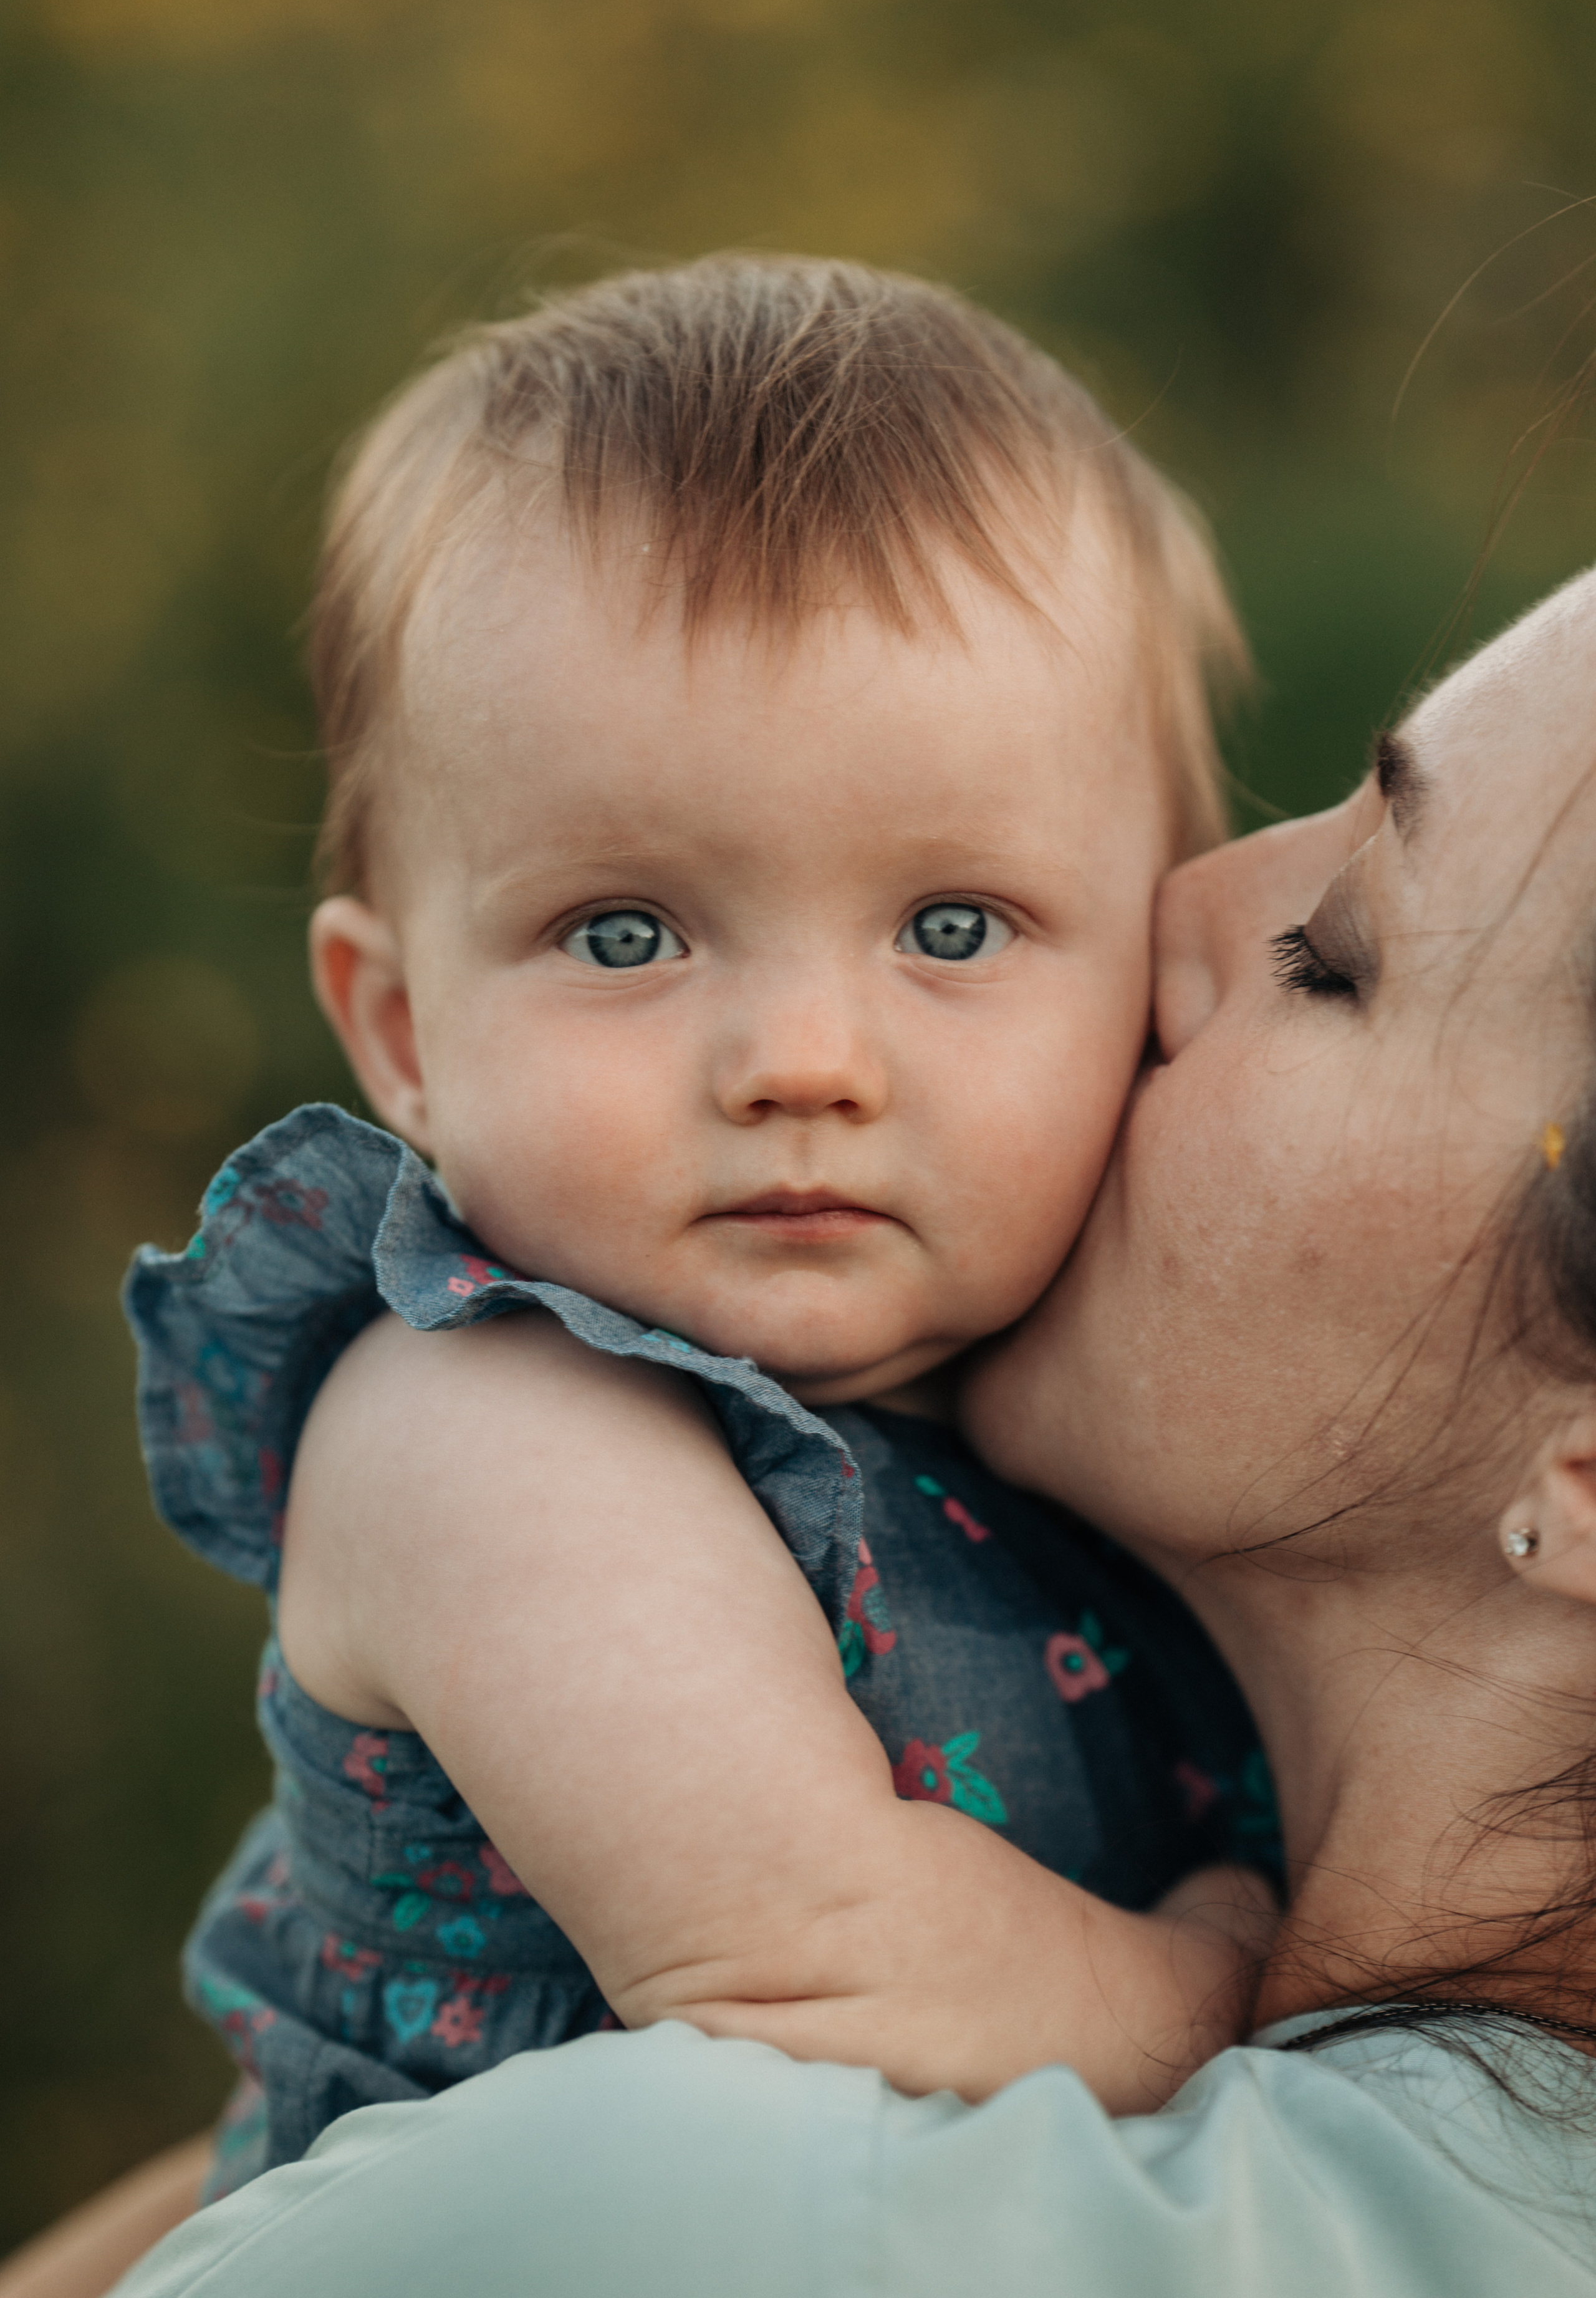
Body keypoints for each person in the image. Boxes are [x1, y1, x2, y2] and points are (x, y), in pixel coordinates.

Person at [112, 556, 1596, 2298]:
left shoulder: (709, 2218)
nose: (1173, 913)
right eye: (621, 935)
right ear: (395, 1023)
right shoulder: (519, 1410)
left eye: (1333, 956)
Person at [120, 253, 1275, 2205]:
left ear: (1151, 970)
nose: (801, 1062)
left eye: (954, 928)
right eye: (626, 935)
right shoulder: (482, 1425)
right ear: (403, 1031)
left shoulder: (1091, 1393)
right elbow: (805, 1952)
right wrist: (1254, 1985)